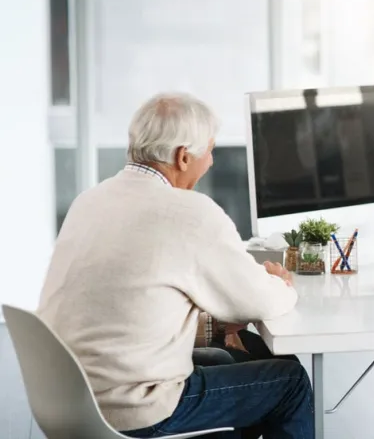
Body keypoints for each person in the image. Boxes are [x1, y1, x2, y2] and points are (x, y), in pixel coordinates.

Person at [37, 92, 313, 439]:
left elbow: (125, 308)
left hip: (68, 398)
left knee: (252, 354)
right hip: (133, 407)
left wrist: (215, 326)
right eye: (209, 151)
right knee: (290, 383)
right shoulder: (190, 213)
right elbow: (264, 302)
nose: (211, 161)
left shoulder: (89, 201)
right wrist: (281, 281)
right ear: (184, 157)